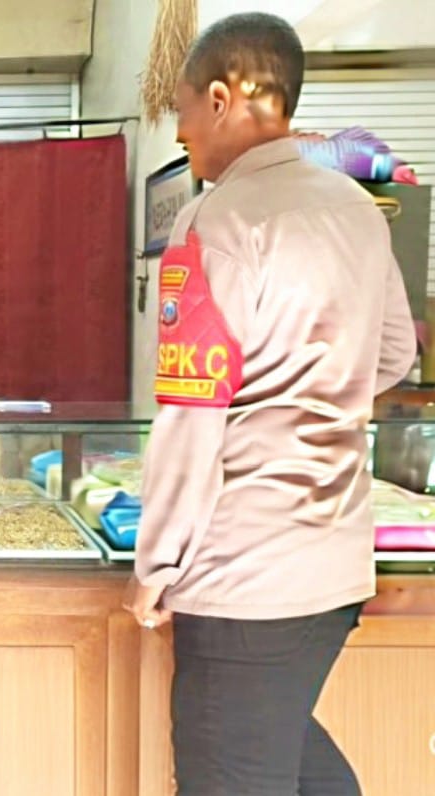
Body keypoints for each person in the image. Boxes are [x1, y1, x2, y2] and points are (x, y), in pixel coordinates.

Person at [123, 13, 417, 796]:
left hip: (246, 578)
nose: (181, 132)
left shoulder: (215, 221)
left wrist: (156, 565)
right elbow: (394, 354)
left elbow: (192, 415)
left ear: (222, 99)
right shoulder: (355, 208)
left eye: (183, 109)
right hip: (335, 565)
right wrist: (313, 393)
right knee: (290, 764)